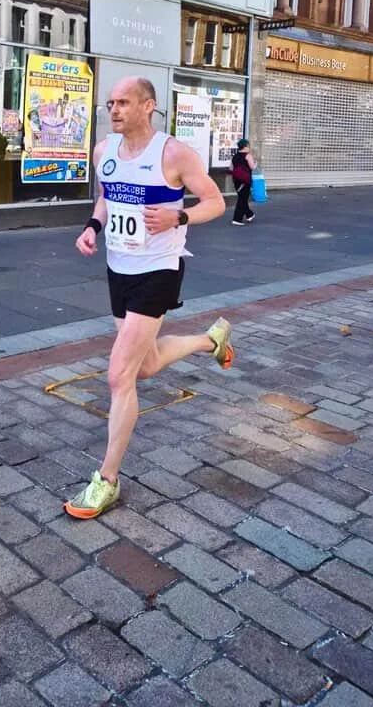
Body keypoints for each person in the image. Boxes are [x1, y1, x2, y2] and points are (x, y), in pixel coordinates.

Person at [67, 75, 231, 520]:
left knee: (120, 376)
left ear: (148, 106)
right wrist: (92, 227)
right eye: (110, 103)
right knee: (148, 365)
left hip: (159, 271)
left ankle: (107, 480)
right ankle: (209, 341)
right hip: (118, 269)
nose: (114, 109)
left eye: (123, 102)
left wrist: (179, 215)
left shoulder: (174, 153)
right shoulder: (105, 152)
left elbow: (216, 202)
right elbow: (107, 198)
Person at [231, 138, 256, 225]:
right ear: (245, 147)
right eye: (248, 146)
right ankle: (237, 219)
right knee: (243, 199)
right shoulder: (248, 156)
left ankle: (249, 214)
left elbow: (231, 168)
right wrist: (255, 163)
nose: (249, 147)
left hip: (236, 180)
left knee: (242, 198)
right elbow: (252, 167)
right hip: (245, 180)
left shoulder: (235, 156)